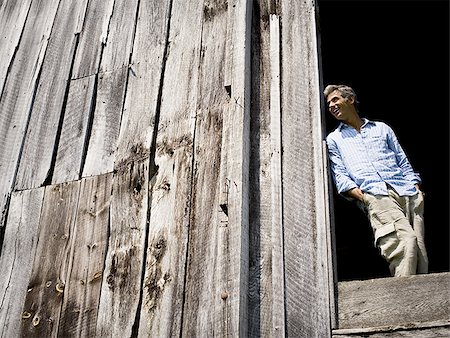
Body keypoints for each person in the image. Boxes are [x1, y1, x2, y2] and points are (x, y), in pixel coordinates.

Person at [324, 84, 428, 277]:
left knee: (420, 255)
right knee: (404, 244)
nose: (331, 105)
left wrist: (415, 186)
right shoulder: (334, 139)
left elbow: (402, 160)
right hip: (376, 195)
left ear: (350, 100)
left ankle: (422, 303)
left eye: (335, 99)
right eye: (328, 103)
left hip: (408, 192)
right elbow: (341, 177)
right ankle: (405, 300)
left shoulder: (382, 128)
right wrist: (366, 198)